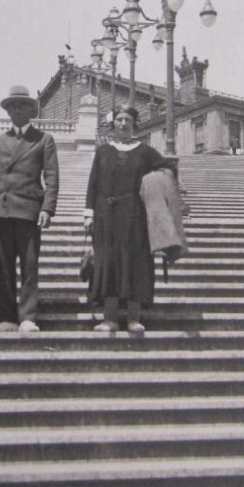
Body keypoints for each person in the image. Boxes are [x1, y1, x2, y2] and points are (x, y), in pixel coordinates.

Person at [84, 105, 175, 335]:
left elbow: (168, 169)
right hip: (106, 216)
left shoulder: (145, 152)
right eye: (119, 120)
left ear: (134, 125)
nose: (123, 124)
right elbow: (93, 183)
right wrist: (89, 214)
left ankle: (134, 319)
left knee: (136, 264)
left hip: (135, 216)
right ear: (113, 123)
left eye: (127, 120)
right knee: (108, 265)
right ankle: (110, 319)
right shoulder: (103, 151)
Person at [0, 85, 59, 333]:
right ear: (7, 111)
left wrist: (48, 208)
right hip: (1, 210)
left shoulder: (44, 139)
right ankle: (6, 317)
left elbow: (52, 176)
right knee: (3, 267)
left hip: (28, 211)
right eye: (12, 106)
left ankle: (27, 317)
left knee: (29, 266)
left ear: (30, 110)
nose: (16, 109)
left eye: (22, 105)